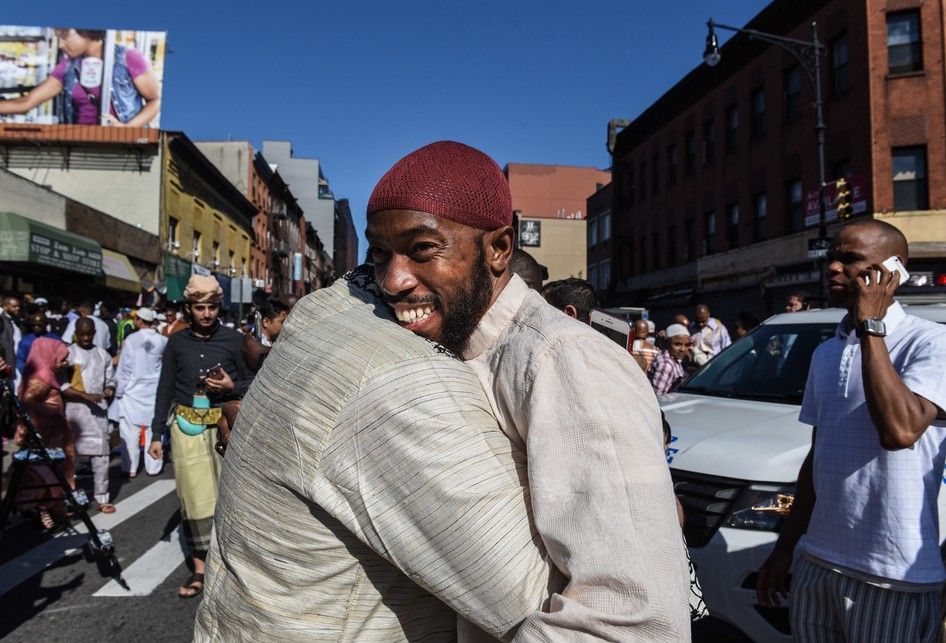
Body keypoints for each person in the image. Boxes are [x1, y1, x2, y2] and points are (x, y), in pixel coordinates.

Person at [364, 141, 689, 639]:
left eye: (422, 250)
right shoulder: (449, 344)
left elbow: (630, 623)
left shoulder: (564, 363)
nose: (393, 280)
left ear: (498, 249)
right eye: (380, 254)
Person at [195, 268, 553, 640]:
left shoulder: (322, 312)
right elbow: (528, 598)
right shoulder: (412, 378)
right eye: (388, 250)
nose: (398, 278)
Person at [756, 219, 946, 642]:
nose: (833, 269)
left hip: (892, 575)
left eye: (850, 259)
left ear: (893, 270)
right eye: (832, 259)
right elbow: (817, 457)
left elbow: (900, 431)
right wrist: (786, 547)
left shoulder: (931, 342)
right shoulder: (827, 352)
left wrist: (871, 326)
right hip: (817, 562)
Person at [147, 275, 249, 599]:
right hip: (186, 426)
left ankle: (235, 568)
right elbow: (164, 390)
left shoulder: (235, 340)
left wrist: (232, 388)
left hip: (227, 425)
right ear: (188, 308)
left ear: (220, 307)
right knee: (193, 499)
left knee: (232, 495)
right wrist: (155, 435)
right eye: (199, 307)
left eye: (212, 307)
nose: (206, 314)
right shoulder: (176, 343)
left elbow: (255, 381)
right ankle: (200, 570)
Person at [0, 28, 160, 127]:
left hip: (121, 147)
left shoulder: (129, 58)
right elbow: (27, 102)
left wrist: (128, 130)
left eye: (64, 36)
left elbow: (155, 100)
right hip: (80, 144)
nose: (60, 45)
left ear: (87, 33)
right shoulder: (67, 66)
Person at [16, 337, 74, 529]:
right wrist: (25, 430)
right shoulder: (41, 377)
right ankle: (44, 509)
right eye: (62, 358)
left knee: (51, 472)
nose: (65, 363)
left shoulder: (46, 373)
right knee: (46, 473)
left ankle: (53, 508)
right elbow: (26, 406)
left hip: (53, 433)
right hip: (44, 435)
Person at [61, 318, 116, 513]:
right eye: (82, 334)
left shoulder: (103, 355)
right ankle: (68, 498)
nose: (85, 338)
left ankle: (102, 497)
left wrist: (109, 389)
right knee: (71, 458)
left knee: (101, 458)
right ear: (76, 333)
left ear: (94, 333)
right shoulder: (68, 354)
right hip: (75, 414)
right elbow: (63, 386)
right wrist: (86, 396)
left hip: (98, 413)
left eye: (89, 334)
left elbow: (111, 380)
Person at [113, 307, 166, 478]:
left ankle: (130, 467)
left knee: (130, 432)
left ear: (140, 320)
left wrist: (119, 391)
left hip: (133, 392)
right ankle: (153, 467)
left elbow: (124, 369)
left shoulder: (131, 340)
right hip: (154, 391)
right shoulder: (162, 341)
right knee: (154, 429)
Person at [649, 324, 692, 396]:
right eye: (677, 344)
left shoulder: (674, 359)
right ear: (667, 343)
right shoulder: (666, 365)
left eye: (687, 345)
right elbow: (657, 397)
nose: (683, 349)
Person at [15, 311, 62, 376]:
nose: (36, 327)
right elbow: (20, 360)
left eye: (39, 325)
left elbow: (61, 358)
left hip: (53, 377)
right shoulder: (25, 341)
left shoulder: (55, 339)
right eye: (33, 325)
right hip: (32, 378)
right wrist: (28, 374)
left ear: (46, 324)